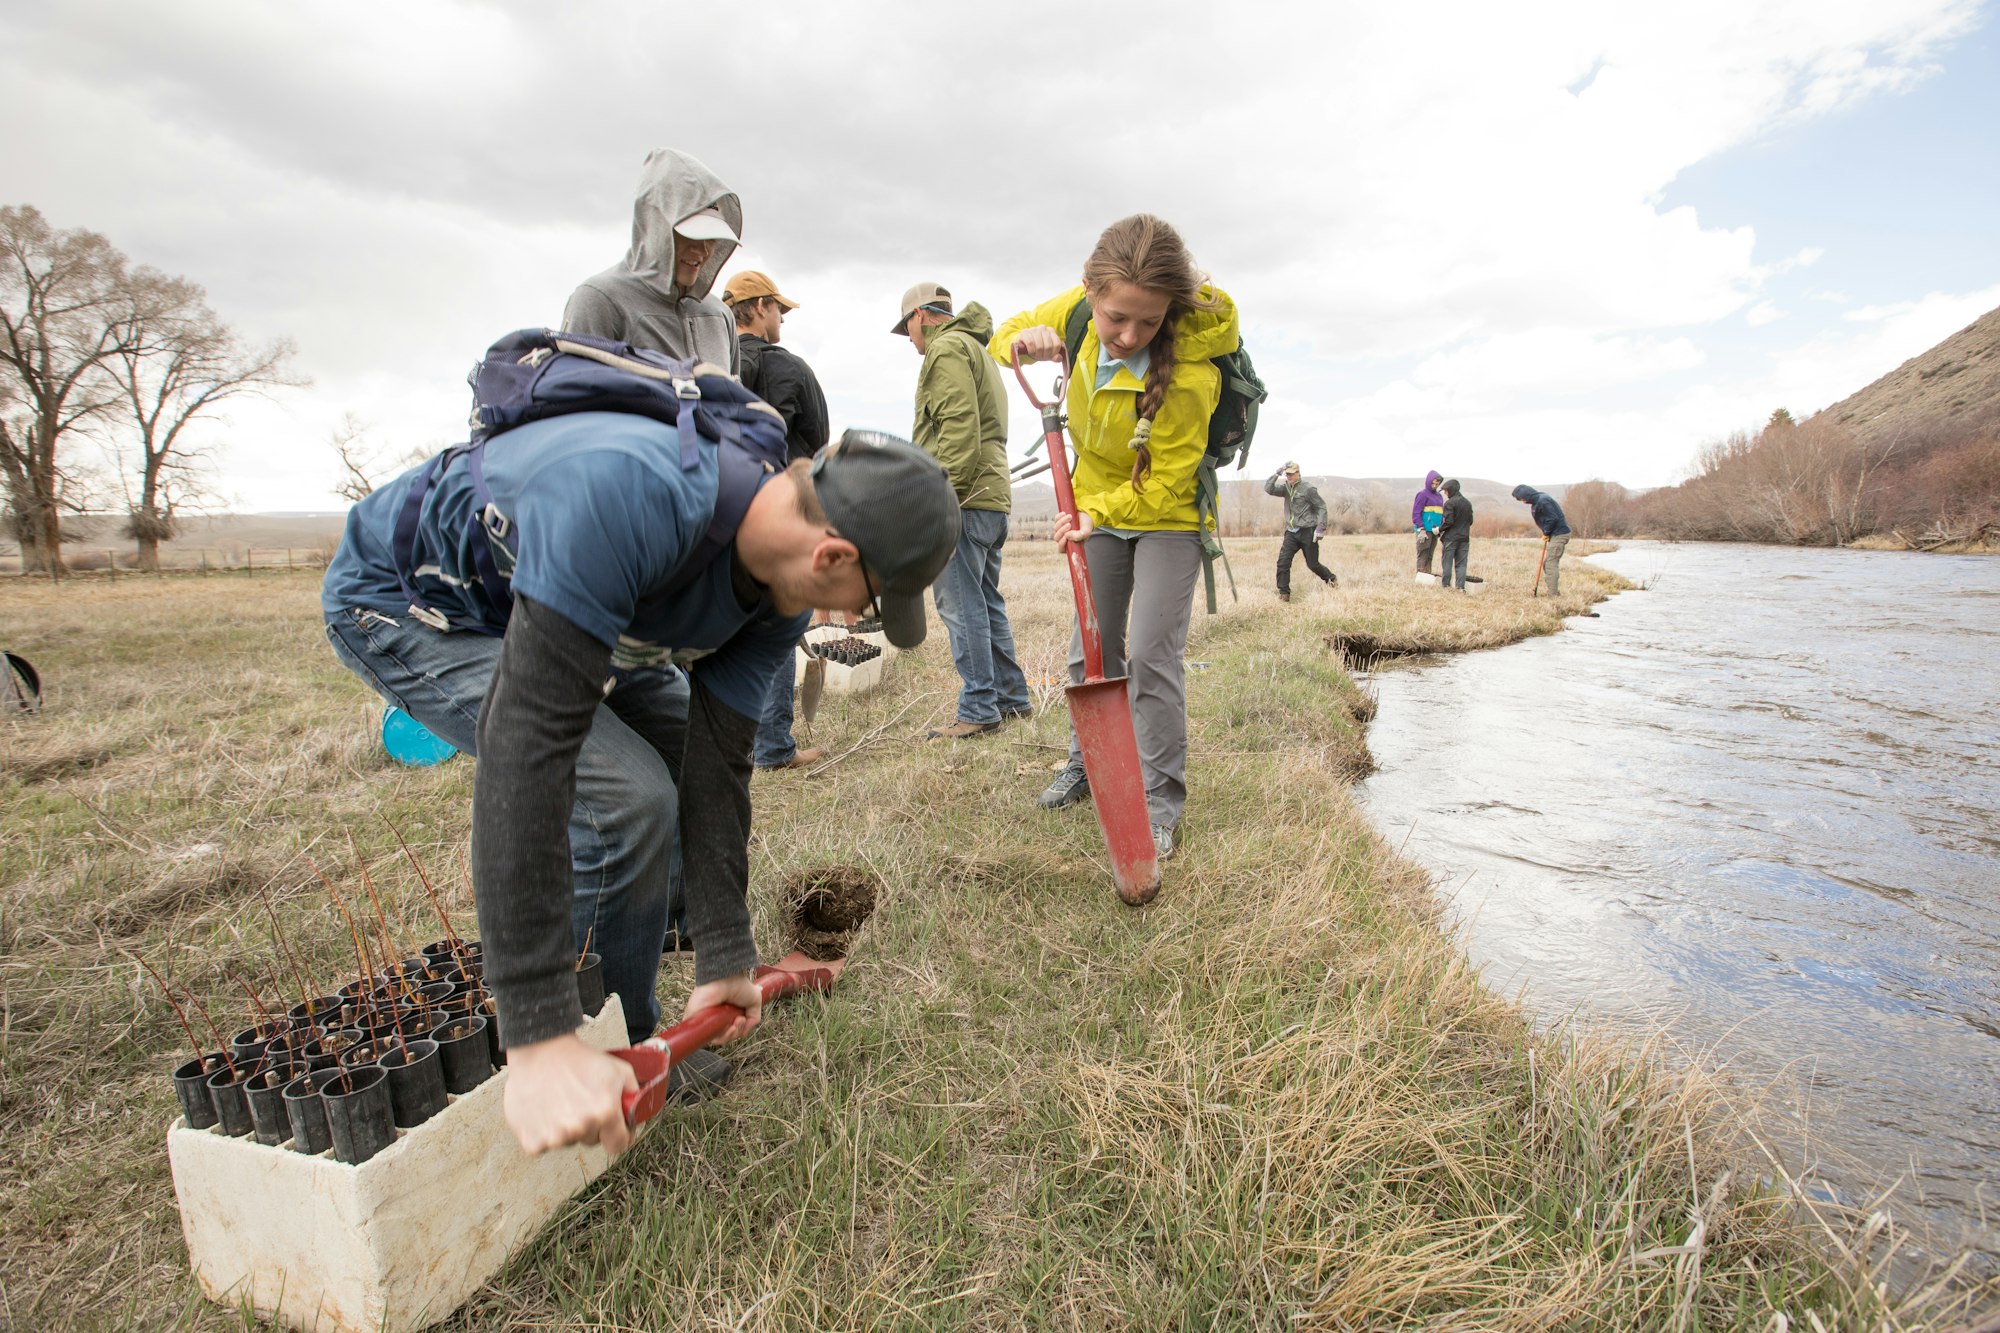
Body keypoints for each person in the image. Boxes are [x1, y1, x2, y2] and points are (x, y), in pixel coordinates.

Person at [323, 411, 960, 1156]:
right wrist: (537, 1032)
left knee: (673, 751)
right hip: (411, 608)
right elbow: (526, 753)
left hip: (560, 610)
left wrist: (725, 950)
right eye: (871, 597)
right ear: (832, 554)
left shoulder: (770, 599)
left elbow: (719, 762)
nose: (853, 617)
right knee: (624, 802)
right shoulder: (626, 502)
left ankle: (633, 985)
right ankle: (595, 1052)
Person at [992, 214, 1239, 863]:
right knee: (1091, 650)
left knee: (1153, 654)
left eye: (1149, 322)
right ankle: (1087, 763)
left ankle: (1159, 803)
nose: (1129, 335)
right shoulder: (1076, 311)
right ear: (1089, 292)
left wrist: (1095, 514)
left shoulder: (1190, 369)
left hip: (1166, 512)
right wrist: (1032, 338)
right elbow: (1004, 337)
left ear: (1170, 313)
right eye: (1115, 318)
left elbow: (1168, 479)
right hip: (1093, 502)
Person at [895, 281, 1031, 739]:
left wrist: (940, 493)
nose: (911, 341)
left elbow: (957, 425)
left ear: (921, 316)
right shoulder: (977, 348)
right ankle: (1011, 697)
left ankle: (978, 708)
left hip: (964, 495)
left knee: (960, 603)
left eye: (908, 329)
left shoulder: (947, 348)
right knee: (986, 600)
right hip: (990, 494)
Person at [726, 269, 833, 771]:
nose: (783, 318)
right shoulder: (790, 371)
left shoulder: (710, 364)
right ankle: (771, 746)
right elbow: (816, 444)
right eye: (779, 309)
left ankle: (726, 743)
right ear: (760, 307)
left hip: (718, 513)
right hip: (778, 515)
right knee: (773, 630)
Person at [562, 148, 742, 371]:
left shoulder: (720, 315)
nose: (703, 250)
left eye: (712, 237)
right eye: (691, 233)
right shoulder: (599, 301)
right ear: (656, 225)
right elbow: (574, 397)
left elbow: (734, 403)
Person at [1264, 460, 1335, 601]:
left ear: (1298, 474)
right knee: (1283, 562)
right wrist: (1277, 472)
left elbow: (1321, 507)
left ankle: (1331, 579)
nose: (1289, 477)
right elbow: (1269, 488)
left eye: (1291, 474)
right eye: (1287, 474)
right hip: (1291, 532)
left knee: (1312, 564)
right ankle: (1284, 594)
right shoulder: (1286, 488)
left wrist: (1321, 527)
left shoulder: (1308, 489)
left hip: (1308, 532)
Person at [1512, 484, 1572, 594]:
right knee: (1547, 563)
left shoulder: (1543, 501)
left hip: (1559, 534)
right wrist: (1547, 533)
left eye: (1522, 499)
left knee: (1550, 564)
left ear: (1527, 495)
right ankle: (1554, 592)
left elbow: (1552, 518)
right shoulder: (1538, 500)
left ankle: (1552, 595)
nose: (1523, 502)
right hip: (1555, 534)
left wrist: (1546, 532)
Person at [1437, 477, 1473, 591]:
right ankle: (1460, 587)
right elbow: (1470, 521)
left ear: (1451, 490)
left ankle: (1446, 586)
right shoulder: (1468, 503)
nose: (1446, 493)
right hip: (1464, 538)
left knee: (1447, 562)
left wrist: (1439, 529)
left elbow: (1449, 521)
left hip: (1451, 538)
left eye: (1446, 491)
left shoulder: (1449, 503)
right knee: (1461, 564)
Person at [1412, 470, 1444, 576]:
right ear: (1428, 481)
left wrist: (1441, 528)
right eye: (1433, 483)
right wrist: (1421, 529)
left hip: (1435, 530)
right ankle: (1420, 576)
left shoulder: (1439, 497)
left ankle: (1428, 575)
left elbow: (1441, 513)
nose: (1435, 485)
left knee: (1430, 555)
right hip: (1425, 530)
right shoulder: (1422, 495)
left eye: (1437, 483)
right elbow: (1416, 513)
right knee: (1423, 553)